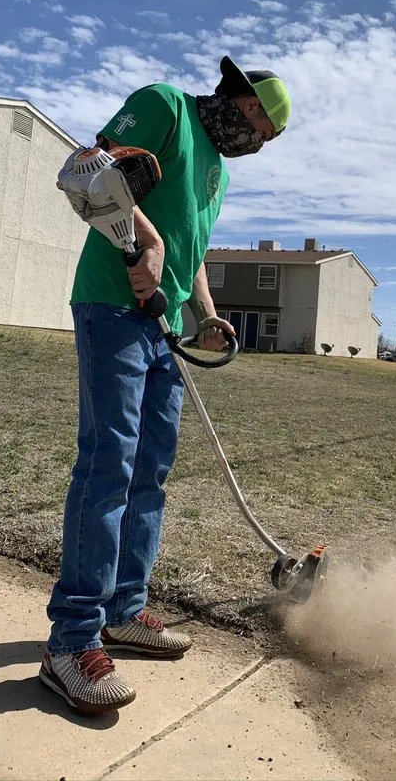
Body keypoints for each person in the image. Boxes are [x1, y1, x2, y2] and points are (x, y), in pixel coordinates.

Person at [40, 55, 291, 716]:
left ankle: (125, 609)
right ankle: (71, 640)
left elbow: (191, 252)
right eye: (261, 126)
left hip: (162, 329)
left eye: (267, 139)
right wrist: (145, 242)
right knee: (108, 466)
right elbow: (88, 171)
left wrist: (204, 315)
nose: (260, 142)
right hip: (111, 307)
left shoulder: (219, 171)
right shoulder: (163, 106)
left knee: (150, 471)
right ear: (242, 101)